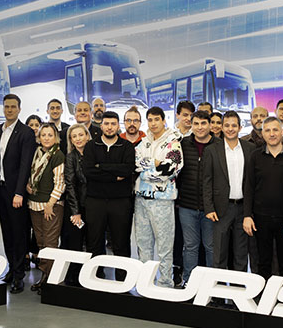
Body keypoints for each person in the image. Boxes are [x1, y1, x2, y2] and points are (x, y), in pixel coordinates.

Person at [82, 111, 135, 279]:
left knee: (121, 242)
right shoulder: (91, 146)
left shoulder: (127, 146)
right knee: (94, 241)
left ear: (118, 126)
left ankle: (122, 279)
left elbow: (127, 170)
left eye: (113, 124)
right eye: (106, 124)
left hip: (120, 202)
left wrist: (101, 166)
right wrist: (114, 175)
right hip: (95, 201)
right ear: (101, 125)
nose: (110, 127)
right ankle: (95, 276)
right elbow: (88, 171)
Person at [132, 107, 182, 286]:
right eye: (150, 120)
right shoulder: (143, 143)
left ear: (163, 120)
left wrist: (147, 169)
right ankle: (145, 282)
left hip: (162, 201)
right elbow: (136, 164)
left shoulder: (173, 142)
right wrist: (155, 163)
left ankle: (165, 283)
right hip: (141, 199)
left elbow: (170, 169)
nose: (153, 123)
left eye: (156, 119)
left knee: (164, 246)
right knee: (143, 244)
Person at [244, 117, 283, 279]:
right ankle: (263, 293)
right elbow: (249, 187)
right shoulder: (255, 156)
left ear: (282, 132)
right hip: (261, 217)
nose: (272, 134)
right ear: (262, 134)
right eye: (267, 130)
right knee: (263, 261)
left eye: (275, 130)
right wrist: (247, 215)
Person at [202, 111, 253, 274]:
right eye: (227, 125)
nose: (230, 129)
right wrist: (209, 208)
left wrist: (250, 211)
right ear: (222, 127)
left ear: (240, 127)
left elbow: (252, 182)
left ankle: (238, 289)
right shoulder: (211, 150)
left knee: (241, 254)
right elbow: (207, 181)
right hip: (221, 209)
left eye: (234, 125)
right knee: (219, 254)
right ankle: (218, 288)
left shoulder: (250, 148)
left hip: (243, 208)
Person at [0, 94, 36, 292]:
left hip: (16, 192)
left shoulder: (26, 132)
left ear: (19, 109)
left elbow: (25, 164)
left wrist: (19, 192)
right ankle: (11, 268)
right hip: (0, 189)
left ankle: (19, 275)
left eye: (13, 107)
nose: (9, 110)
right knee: (6, 232)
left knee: (19, 233)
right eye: (6, 106)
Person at [26, 123, 66, 292]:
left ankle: (50, 279)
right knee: (41, 242)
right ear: (39, 137)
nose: (47, 138)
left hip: (51, 206)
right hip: (34, 204)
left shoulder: (58, 155)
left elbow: (60, 183)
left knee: (50, 243)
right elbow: (32, 174)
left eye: (50, 135)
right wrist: (28, 184)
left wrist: (50, 204)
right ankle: (44, 274)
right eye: (43, 135)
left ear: (56, 137)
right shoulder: (36, 153)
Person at [177, 111, 213, 285]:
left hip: (211, 208)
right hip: (187, 205)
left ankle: (212, 284)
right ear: (191, 125)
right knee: (190, 246)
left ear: (210, 125)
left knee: (211, 247)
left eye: (203, 123)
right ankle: (188, 281)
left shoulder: (218, 145)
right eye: (196, 123)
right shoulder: (183, 144)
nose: (200, 127)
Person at [61, 123, 90, 258]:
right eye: (74, 136)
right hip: (76, 205)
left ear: (87, 136)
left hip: (93, 204)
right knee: (75, 242)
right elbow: (70, 185)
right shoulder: (70, 157)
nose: (78, 139)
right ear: (71, 140)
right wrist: (76, 212)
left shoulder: (94, 154)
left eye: (81, 135)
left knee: (93, 240)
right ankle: (75, 270)